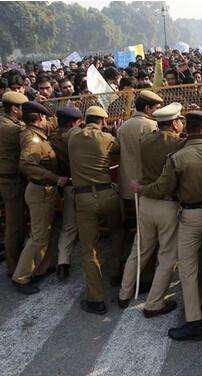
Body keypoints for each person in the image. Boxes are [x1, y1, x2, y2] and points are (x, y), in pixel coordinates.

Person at [135, 111, 202, 340]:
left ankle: (194, 322)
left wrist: (141, 189)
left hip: (191, 215)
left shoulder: (177, 158)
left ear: (186, 128)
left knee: (187, 270)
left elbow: (162, 188)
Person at [118, 103, 185, 316]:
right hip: (168, 203)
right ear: (175, 123)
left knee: (139, 250)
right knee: (166, 256)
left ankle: (124, 293)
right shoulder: (179, 144)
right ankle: (154, 303)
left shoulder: (145, 140)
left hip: (146, 202)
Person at [68, 106, 124, 315]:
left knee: (89, 248)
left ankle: (97, 298)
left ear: (85, 119)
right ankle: (116, 273)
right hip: (107, 193)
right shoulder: (107, 138)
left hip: (83, 197)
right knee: (117, 232)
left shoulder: (73, 136)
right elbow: (118, 149)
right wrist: (113, 130)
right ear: (103, 120)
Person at [11, 101, 68, 294]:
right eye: (46, 118)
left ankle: (41, 268)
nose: (48, 121)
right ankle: (21, 277)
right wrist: (54, 178)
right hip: (40, 191)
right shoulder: (33, 140)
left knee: (46, 232)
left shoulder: (35, 135)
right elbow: (27, 165)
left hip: (43, 191)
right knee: (38, 236)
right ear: (40, 118)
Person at [50, 106, 83, 281]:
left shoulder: (52, 139)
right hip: (82, 186)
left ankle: (63, 263)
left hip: (66, 186)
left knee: (68, 227)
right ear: (73, 123)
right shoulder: (79, 138)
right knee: (87, 225)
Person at [117, 90, 163, 212]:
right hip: (145, 186)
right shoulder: (152, 126)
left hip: (126, 185)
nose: (158, 112)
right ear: (148, 108)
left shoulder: (122, 127)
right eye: (157, 108)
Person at [0, 91, 28, 277]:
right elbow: (37, 130)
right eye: (23, 108)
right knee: (14, 224)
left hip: (6, 177)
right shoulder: (13, 129)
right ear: (14, 109)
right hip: (12, 180)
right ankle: (14, 267)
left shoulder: (4, 122)